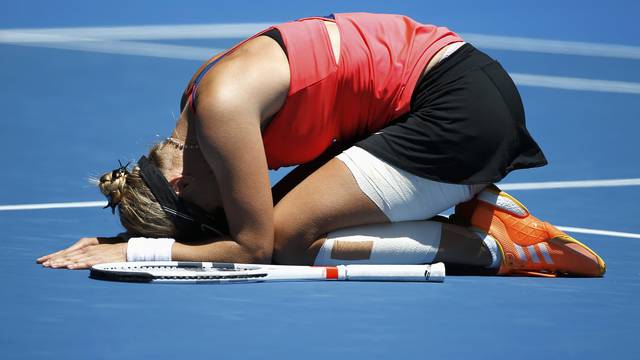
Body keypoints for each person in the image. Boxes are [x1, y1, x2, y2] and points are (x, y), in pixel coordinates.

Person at [37, 13, 605, 277]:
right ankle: (477, 212)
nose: (228, 211)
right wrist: (128, 230)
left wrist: (138, 252)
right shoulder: (202, 103)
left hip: (459, 115)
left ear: (181, 183)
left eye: (209, 214)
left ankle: (492, 246)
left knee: (283, 238)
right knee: (290, 219)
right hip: (454, 95)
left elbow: (255, 247)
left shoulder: (223, 110)